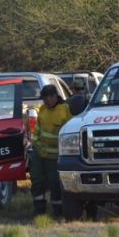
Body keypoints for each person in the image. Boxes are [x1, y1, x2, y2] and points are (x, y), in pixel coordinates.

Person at [30, 84, 73, 217]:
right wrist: (36, 146)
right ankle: (39, 210)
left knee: (55, 184)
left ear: (55, 96)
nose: (45, 101)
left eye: (47, 98)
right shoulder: (42, 109)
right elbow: (37, 131)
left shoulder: (65, 110)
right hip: (39, 152)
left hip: (55, 156)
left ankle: (58, 211)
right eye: (43, 99)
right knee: (37, 181)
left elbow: (70, 134)